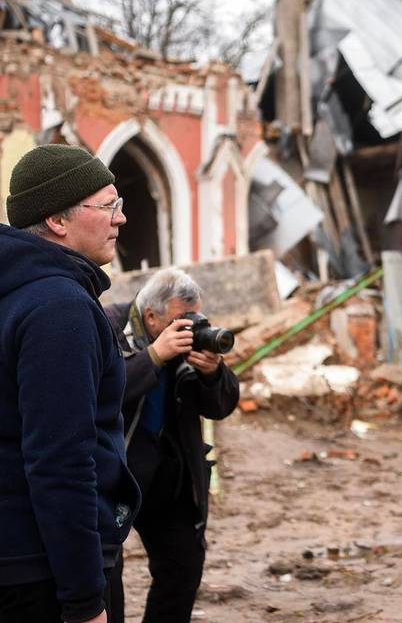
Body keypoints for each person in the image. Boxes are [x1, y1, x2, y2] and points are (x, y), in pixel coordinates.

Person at [0, 144, 140, 623]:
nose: (120, 218)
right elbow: (60, 462)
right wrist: (84, 601)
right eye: (108, 205)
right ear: (58, 221)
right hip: (40, 571)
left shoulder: (17, 292)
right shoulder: (57, 308)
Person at [104, 267, 239, 623]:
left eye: (197, 318)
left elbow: (221, 407)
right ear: (151, 316)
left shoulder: (190, 342)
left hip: (170, 477)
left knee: (183, 568)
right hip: (115, 477)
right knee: (105, 579)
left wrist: (213, 373)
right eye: (183, 320)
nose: (192, 327)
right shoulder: (108, 327)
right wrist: (153, 357)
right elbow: (100, 392)